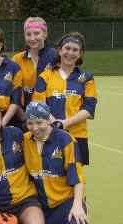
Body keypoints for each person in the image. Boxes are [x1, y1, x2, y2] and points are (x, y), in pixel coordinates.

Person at [22, 101, 92, 224]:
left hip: (65, 202)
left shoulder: (66, 140)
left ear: (48, 120)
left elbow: (77, 178)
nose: (35, 127)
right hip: (42, 206)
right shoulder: (25, 140)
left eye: (39, 122)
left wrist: (77, 205)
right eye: (30, 122)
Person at [32, 32, 97, 165]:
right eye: (67, 48)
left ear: (80, 54)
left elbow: (89, 109)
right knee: (52, 176)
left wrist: (65, 123)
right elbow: (39, 104)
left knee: (76, 178)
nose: (70, 53)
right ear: (60, 50)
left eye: (75, 50)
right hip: (49, 132)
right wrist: (54, 122)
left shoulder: (87, 78)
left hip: (78, 135)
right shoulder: (45, 76)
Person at [12, 17, 56, 112]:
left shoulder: (56, 57)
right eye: (28, 34)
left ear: (45, 34)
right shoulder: (17, 59)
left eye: (36, 33)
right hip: (25, 112)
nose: (32, 38)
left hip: (52, 112)